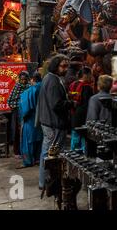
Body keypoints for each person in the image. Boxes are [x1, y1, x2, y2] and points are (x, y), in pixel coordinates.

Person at [38, 55, 73, 190]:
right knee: (49, 155)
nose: (65, 69)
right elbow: (56, 104)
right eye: (63, 66)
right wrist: (70, 103)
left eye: (67, 66)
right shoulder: (53, 81)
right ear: (55, 66)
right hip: (53, 123)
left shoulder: (50, 78)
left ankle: (47, 182)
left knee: (47, 153)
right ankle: (46, 183)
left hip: (49, 122)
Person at [18, 72, 43, 168]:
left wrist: (22, 117)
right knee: (40, 139)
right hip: (43, 119)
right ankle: (38, 159)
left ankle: (28, 161)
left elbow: (25, 109)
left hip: (31, 119)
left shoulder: (30, 91)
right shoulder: (45, 87)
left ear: (32, 80)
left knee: (28, 141)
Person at [69, 67, 94, 152]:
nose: (92, 76)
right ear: (85, 75)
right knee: (84, 140)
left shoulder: (73, 85)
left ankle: (72, 156)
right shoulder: (87, 87)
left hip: (73, 115)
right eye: (90, 74)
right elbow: (88, 105)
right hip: (83, 117)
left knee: (75, 138)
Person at [7, 71, 30, 157]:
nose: (23, 81)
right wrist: (18, 105)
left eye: (25, 80)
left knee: (24, 131)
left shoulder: (29, 87)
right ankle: (17, 151)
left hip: (26, 112)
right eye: (21, 80)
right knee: (16, 130)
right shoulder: (16, 86)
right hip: (16, 112)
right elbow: (10, 100)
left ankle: (24, 150)